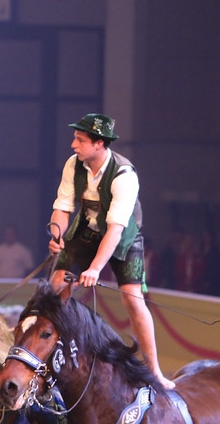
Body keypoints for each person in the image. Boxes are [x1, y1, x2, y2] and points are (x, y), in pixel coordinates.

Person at [47, 113, 174, 390]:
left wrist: (94, 268)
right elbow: (63, 207)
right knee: (57, 286)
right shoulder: (74, 165)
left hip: (123, 237)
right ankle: (53, 360)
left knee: (133, 300)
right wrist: (56, 235)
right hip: (87, 231)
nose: (73, 145)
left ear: (99, 143)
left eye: (80, 140)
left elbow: (115, 230)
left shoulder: (124, 176)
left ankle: (154, 371)